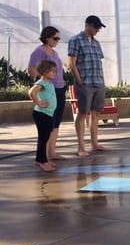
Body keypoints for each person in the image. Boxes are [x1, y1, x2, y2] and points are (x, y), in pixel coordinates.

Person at [68, 15, 107, 156]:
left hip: (98, 82)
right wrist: (79, 81)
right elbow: (72, 64)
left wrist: (102, 81)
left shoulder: (97, 43)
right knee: (83, 113)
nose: (98, 30)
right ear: (88, 25)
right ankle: (80, 147)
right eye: (96, 27)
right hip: (85, 83)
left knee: (96, 114)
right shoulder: (75, 40)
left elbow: (99, 63)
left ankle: (95, 143)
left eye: (99, 28)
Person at [28, 26, 67, 160]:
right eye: (55, 38)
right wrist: (43, 79)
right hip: (50, 89)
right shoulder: (39, 51)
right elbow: (31, 70)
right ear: (47, 37)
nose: (57, 41)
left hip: (60, 89)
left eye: (58, 38)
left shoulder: (54, 53)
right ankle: (44, 156)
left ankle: (52, 152)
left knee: (56, 123)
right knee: (48, 124)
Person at [28, 60, 58, 172]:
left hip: (48, 115)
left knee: (45, 138)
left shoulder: (49, 83)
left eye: (55, 71)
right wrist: (39, 103)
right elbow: (31, 92)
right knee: (43, 138)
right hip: (41, 114)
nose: (54, 73)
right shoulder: (41, 83)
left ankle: (41, 159)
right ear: (44, 71)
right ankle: (42, 161)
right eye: (52, 71)